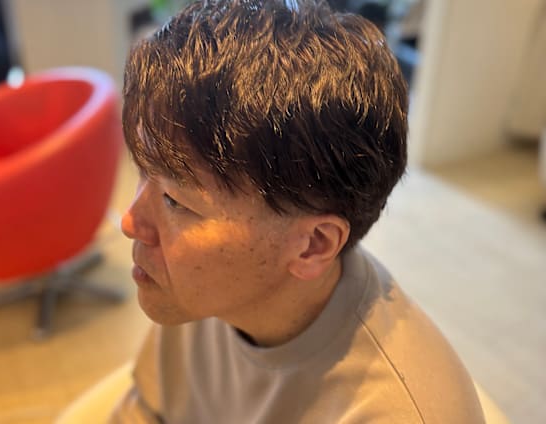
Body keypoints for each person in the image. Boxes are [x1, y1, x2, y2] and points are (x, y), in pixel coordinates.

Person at [112, 0, 485, 422]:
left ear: (313, 245)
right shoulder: (197, 290)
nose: (130, 222)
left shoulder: (391, 411)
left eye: (175, 201)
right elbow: (144, 412)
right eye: (143, 173)